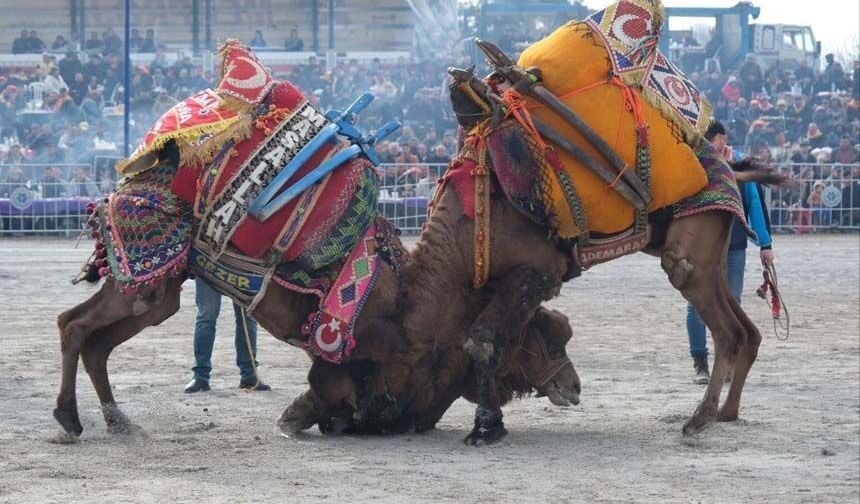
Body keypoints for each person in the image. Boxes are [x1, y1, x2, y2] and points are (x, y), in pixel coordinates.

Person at [686, 120, 775, 384]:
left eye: (712, 140)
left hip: (735, 243)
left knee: (732, 303)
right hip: (701, 246)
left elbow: (755, 205)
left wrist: (765, 244)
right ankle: (700, 362)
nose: (709, 146)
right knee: (697, 303)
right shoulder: (694, 165)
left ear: (723, 139)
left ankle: (725, 361)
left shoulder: (738, 166)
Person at [184, 278, 271, 393]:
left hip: (242, 266)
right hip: (207, 266)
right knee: (206, 316)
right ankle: (200, 376)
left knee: (247, 317)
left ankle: (249, 374)